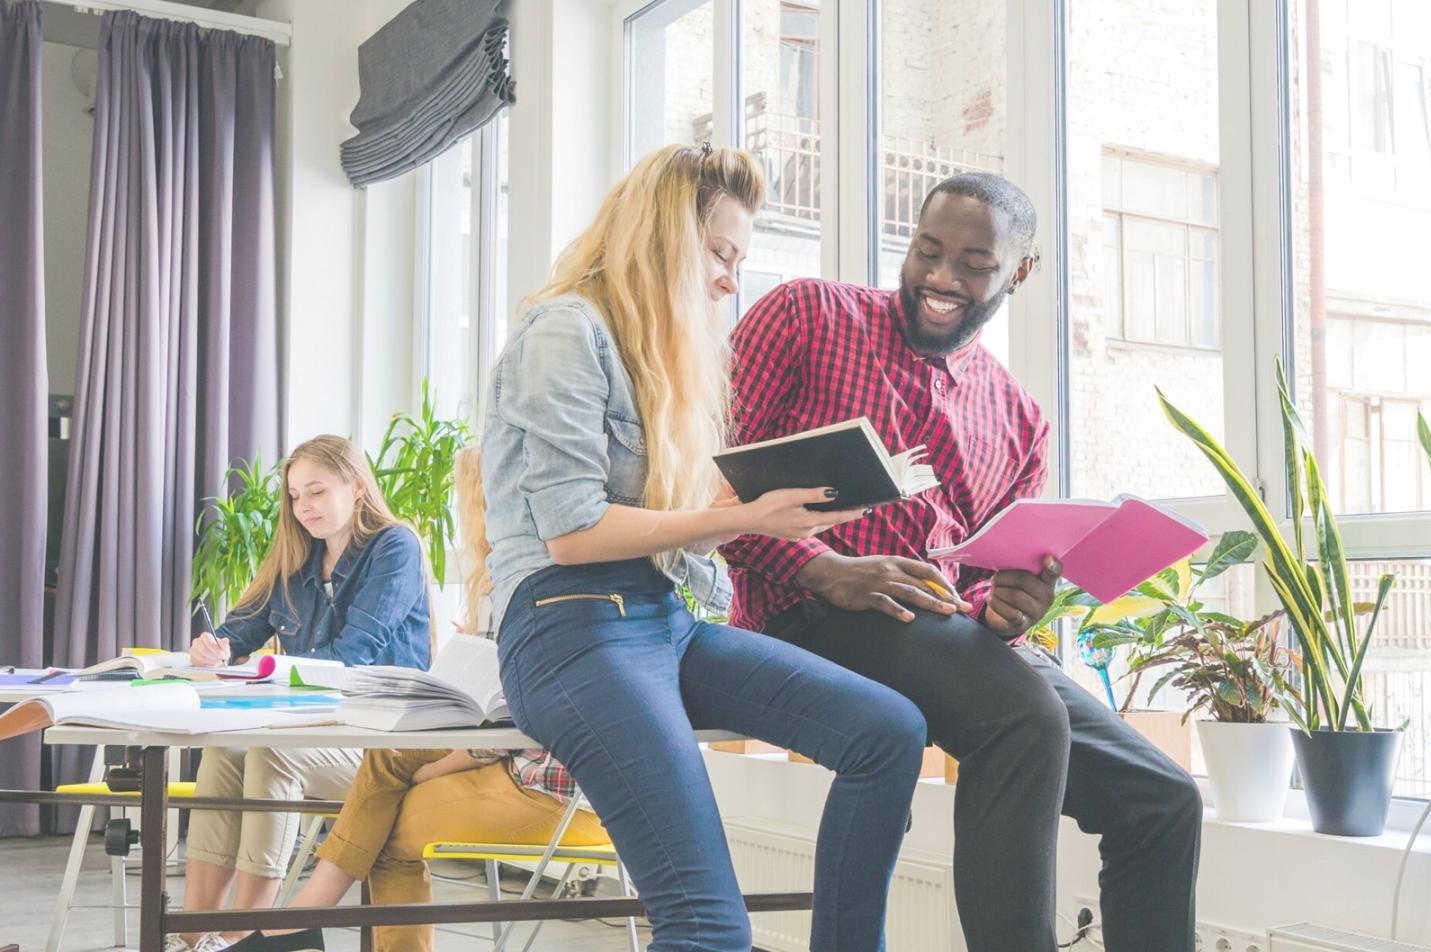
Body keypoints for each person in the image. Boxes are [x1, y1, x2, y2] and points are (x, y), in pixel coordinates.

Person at [720, 173, 1203, 952]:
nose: (940, 279)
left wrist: (1012, 605)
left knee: (1164, 798)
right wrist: (825, 568)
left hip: (941, 637)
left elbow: (977, 589)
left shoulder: (1020, 419)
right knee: (1023, 718)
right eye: (927, 251)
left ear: (1019, 272)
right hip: (802, 616)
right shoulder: (807, 316)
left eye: (973, 264)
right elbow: (703, 488)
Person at [484, 143, 927, 952]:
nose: (731, 278)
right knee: (709, 929)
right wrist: (740, 519)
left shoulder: (663, 363)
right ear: (661, 238)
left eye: (738, 259)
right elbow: (574, 531)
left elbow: (664, 536)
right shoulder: (563, 332)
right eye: (720, 253)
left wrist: (745, 508)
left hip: (658, 623)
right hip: (567, 626)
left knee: (888, 732)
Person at [224, 446, 606, 952]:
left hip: (548, 783)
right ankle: (288, 922)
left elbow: (523, 719)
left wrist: (443, 764)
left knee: (383, 834)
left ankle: (295, 920)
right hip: (511, 755)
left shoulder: (521, 582)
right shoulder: (512, 581)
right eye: (295, 496)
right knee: (385, 770)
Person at [173, 435, 435, 952]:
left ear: (356, 486)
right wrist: (212, 648)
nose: (303, 507)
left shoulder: (394, 547)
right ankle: (191, 934)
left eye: (316, 491)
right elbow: (237, 632)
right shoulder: (296, 557)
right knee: (223, 751)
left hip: (382, 743)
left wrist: (269, 673)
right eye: (294, 496)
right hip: (314, 730)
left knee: (274, 754)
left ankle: (241, 936)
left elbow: (354, 653)